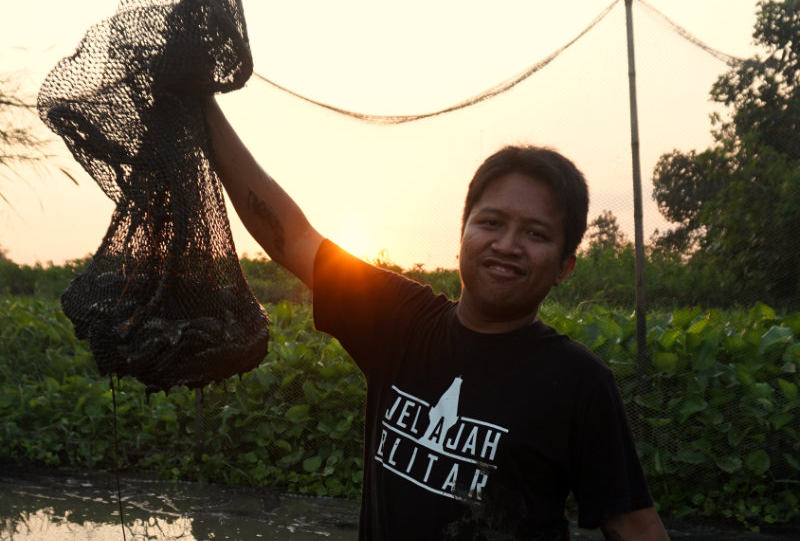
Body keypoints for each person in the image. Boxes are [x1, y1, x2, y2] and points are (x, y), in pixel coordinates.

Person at [202, 96, 670, 541]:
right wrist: (202, 105)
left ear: (565, 266)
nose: (506, 245)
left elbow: (634, 528)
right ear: (463, 232)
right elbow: (292, 236)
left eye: (535, 233)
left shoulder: (579, 384)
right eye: (490, 223)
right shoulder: (398, 319)